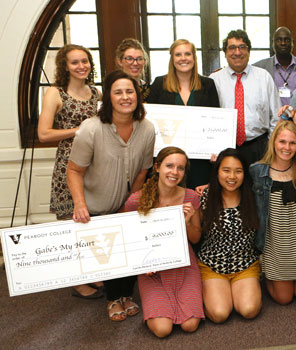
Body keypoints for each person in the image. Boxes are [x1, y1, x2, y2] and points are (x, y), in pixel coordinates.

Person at [67, 70, 156, 321]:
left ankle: (126, 296)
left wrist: (130, 203)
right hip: (94, 206)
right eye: (118, 92)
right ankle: (113, 299)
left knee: (128, 252)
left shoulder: (147, 129)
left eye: (130, 91)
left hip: (124, 203)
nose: (125, 97)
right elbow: (73, 170)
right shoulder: (90, 129)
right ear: (108, 97)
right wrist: (80, 204)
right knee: (108, 256)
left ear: (137, 96)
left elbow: (143, 170)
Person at [37, 44, 103, 299]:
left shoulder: (96, 92)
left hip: (95, 165)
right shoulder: (55, 93)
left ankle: (91, 274)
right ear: (65, 66)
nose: (81, 66)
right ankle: (77, 281)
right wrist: (78, 131)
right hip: (69, 164)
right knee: (71, 224)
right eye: (75, 62)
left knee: (91, 221)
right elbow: (43, 134)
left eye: (85, 61)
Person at [123, 147, 204, 337]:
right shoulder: (136, 201)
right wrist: (142, 264)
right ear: (157, 167)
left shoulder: (190, 197)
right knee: (162, 330)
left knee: (190, 325)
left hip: (183, 264)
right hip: (152, 269)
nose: (175, 172)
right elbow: (128, 241)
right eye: (169, 166)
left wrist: (188, 221)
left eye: (180, 168)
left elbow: (195, 239)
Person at [250, 120, 296, 305]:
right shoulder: (257, 171)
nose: (287, 147)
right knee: (284, 299)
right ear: (273, 142)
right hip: (276, 243)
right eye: (282, 142)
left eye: (292, 143)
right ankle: (267, 274)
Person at [193, 148, 262, 323]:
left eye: (238, 171)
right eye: (226, 170)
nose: (232, 176)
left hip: (245, 263)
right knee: (219, 314)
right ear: (217, 172)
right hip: (212, 264)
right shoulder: (205, 197)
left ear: (245, 174)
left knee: (249, 310)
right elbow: (195, 236)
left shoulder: (254, 196)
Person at [147, 39, 221, 189]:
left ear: (194, 57)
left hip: (200, 160)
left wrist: (216, 149)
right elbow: (150, 122)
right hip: (169, 160)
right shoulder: (159, 84)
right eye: (178, 54)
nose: (183, 58)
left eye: (187, 54)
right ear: (172, 58)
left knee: (197, 204)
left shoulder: (208, 84)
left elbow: (216, 121)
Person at [211, 29, 281, 166]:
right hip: (225, 149)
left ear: (249, 51)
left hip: (259, 147)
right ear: (225, 53)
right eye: (232, 48)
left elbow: (276, 116)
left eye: (242, 47)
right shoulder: (214, 80)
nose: (237, 52)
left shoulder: (264, 77)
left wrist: (271, 147)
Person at [253, 27, 296, 106]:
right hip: (273, 117)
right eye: (278, 40)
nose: (283, 43)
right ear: (273, 43)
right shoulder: (259, 67)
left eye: (287, 40)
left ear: (292, 43)